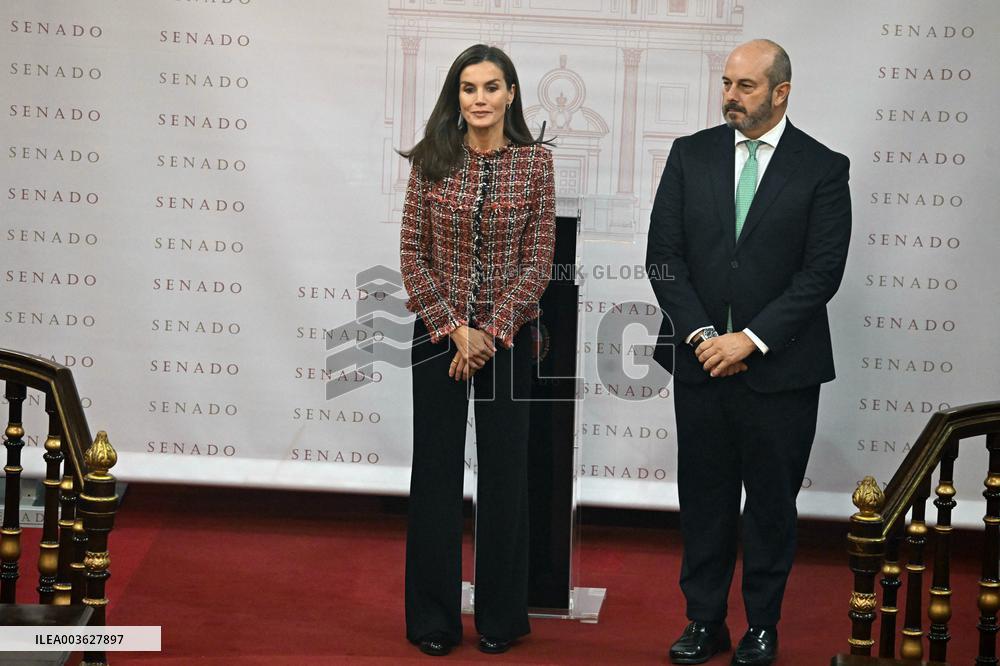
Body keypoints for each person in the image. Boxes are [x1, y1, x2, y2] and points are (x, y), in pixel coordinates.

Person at [646, 39, 851, 665]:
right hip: (701, 365)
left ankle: (762, 626)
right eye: (727, 83)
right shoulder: (690, 154)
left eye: (746, 86)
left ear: (780, 92)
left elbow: (821, 274)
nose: (730, 96)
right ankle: (704, 622)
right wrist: (706, 338)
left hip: (781, 372)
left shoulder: (823, 167)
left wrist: (750, 340)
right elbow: (663, 257)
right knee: (704, 502)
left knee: (770, 507)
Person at [398, 44, 555, 657]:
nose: (480, 98)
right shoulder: (431, 159)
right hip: (439, 338)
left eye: (492, 87)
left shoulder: (536, 165)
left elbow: (538, 260)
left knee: (506, 476)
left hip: (509, 341)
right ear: (455, 97)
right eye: (468, 88)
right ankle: (432, 619)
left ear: (511, 94)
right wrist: (456, 328)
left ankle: (500, 618)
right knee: (434, 476)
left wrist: (489, 330)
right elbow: (413, 257)